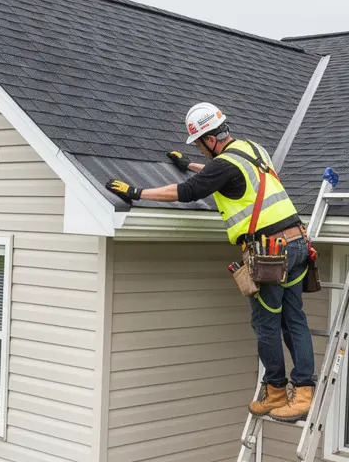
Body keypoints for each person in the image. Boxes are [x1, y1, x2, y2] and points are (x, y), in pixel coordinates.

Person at [104, 102, 315, 422]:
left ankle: (276, 391)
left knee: (266, 324)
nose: (201, 153)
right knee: (293, 319)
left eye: (200, 146)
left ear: (210, 140)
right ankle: (303, 390)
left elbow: (189, 192)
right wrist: (189, 165)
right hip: (297, 241)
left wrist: (137, 191)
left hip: (271, 251)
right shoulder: (252, 149)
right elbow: (227, 174)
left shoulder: (223, 163)